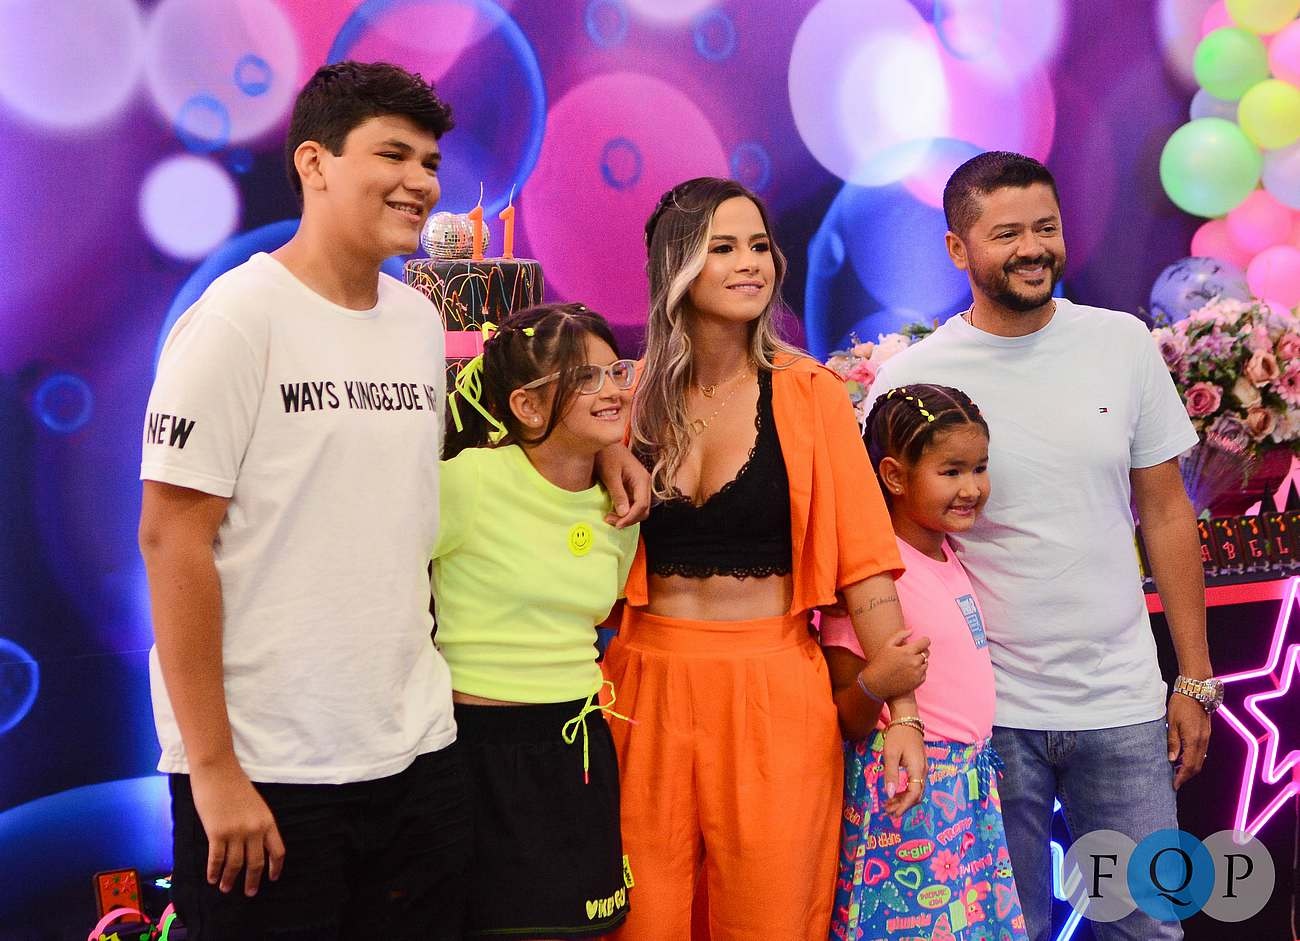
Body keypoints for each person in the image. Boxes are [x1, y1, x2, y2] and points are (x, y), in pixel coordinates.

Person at [139, 61, 648, 939]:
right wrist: (214, 767)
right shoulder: (236, 320)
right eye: (393, 155)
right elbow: (170, 541)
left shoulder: (417, 321)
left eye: (430, 162)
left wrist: (609, 450)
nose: (421, 181)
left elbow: (515, 435)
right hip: (268, 769)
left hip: (418, 754)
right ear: (315, 163)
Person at [866, 151, 1215, 941]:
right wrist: (901, 709)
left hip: (1122, 704)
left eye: (1047, 227)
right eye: (1007, 233)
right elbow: (886, 551)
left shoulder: (1121, 343)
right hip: (984, 720)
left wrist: (1193, 677)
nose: (1033, 248)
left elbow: (1166, 511)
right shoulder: (913, 379)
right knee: (1000, 929)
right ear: (957, 248)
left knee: (1144, 926)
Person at [602, 177, 927, 940]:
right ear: (677, 266)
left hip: (775, 692)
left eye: (758, 246)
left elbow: (865, 564)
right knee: (641, 920)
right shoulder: (625, 397)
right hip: (641, 688)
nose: (750, 263)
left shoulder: (810, 394)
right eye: (723, 247)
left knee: (771, 919)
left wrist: (905, 713)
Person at [434, 304, 639, 939]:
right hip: (479, 750)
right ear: (526, 405)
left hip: (578, 744)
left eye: (617, 371)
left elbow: (599, 612)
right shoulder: (468, 481)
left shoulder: (622, 501)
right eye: (586, 378)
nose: (612, 390)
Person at [823, 383, 1027, 941]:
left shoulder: (948, 554)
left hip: (967, 790)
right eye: (951, 471)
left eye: (979, 468)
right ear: (894, 476)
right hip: (906, 792)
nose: (972, 488)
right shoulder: (873, 574)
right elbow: (847, 715)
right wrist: (875, 685)